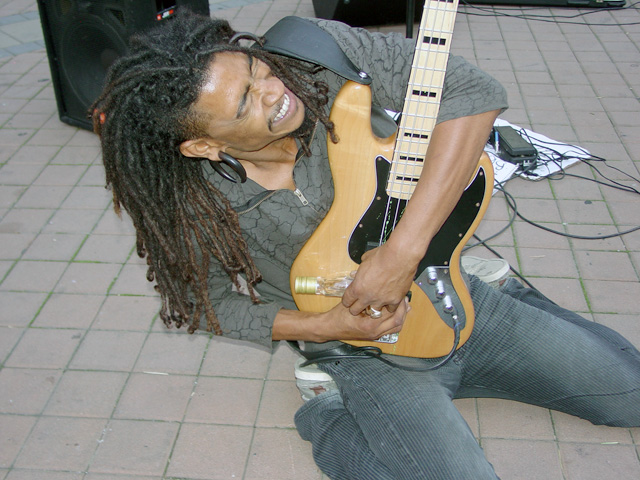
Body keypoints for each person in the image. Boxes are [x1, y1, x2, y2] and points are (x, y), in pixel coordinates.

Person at [92, 10, 640, 479]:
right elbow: (204, 303)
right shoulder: (188, 201)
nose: (274, 92)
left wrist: (402, 254)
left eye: (257, 71)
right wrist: (329, 328)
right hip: (360, 348)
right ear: (204, 145)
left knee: (631, 394)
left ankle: (505, 302)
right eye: (244, 106)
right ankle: (327, 410)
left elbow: (473, 93)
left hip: (444, 289)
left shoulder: (313, 57)